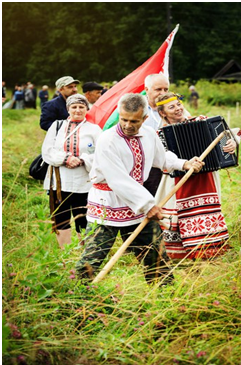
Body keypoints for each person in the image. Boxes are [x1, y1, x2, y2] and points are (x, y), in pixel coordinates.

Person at [75, 93, 204, 283]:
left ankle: (165, 295)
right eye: (124, 119)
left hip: (137, 206)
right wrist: (148, 205)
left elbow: (161, 158)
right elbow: (117, 180)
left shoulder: (149, 134)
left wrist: (183, 164)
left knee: (156, 256)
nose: (128, 125)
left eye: (134, 121)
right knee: (92, 258)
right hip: (107, 205)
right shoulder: (107, 140)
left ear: (145, 118)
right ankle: (76, 296)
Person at [154, 92, 241, 261]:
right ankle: (180, 256)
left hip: (205, 179)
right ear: (162, 112)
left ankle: (209, 252)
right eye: (171, 107)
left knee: (206, 213)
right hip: (177, 180)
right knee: (176, 215)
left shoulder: (200, 121)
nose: (178, 109)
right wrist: (184, 163)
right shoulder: (159, 134)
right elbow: (162, 158)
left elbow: (225, 135)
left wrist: (231, 143)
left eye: (178, 104)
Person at [42, 94, 102, 249]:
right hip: (60, 182)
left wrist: (83, 160)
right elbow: (47, 151)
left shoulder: (94, 130)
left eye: (81, 107)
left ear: (87, 109)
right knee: (61, 217)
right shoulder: (57, 126)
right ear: (68, 109)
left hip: (84, 182)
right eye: (74, 107)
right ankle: (65, 253)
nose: (77, 110)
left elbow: (102, 154)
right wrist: (66, 158)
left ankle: (85, 252)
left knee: (83, 217)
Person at [143, 74, 191, 196]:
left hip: (176, 165)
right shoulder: (139, 109)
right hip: (148, 166)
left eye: (166, 89)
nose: (163, 93)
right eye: (158, 89)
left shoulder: (177, 108)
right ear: (146, 89)